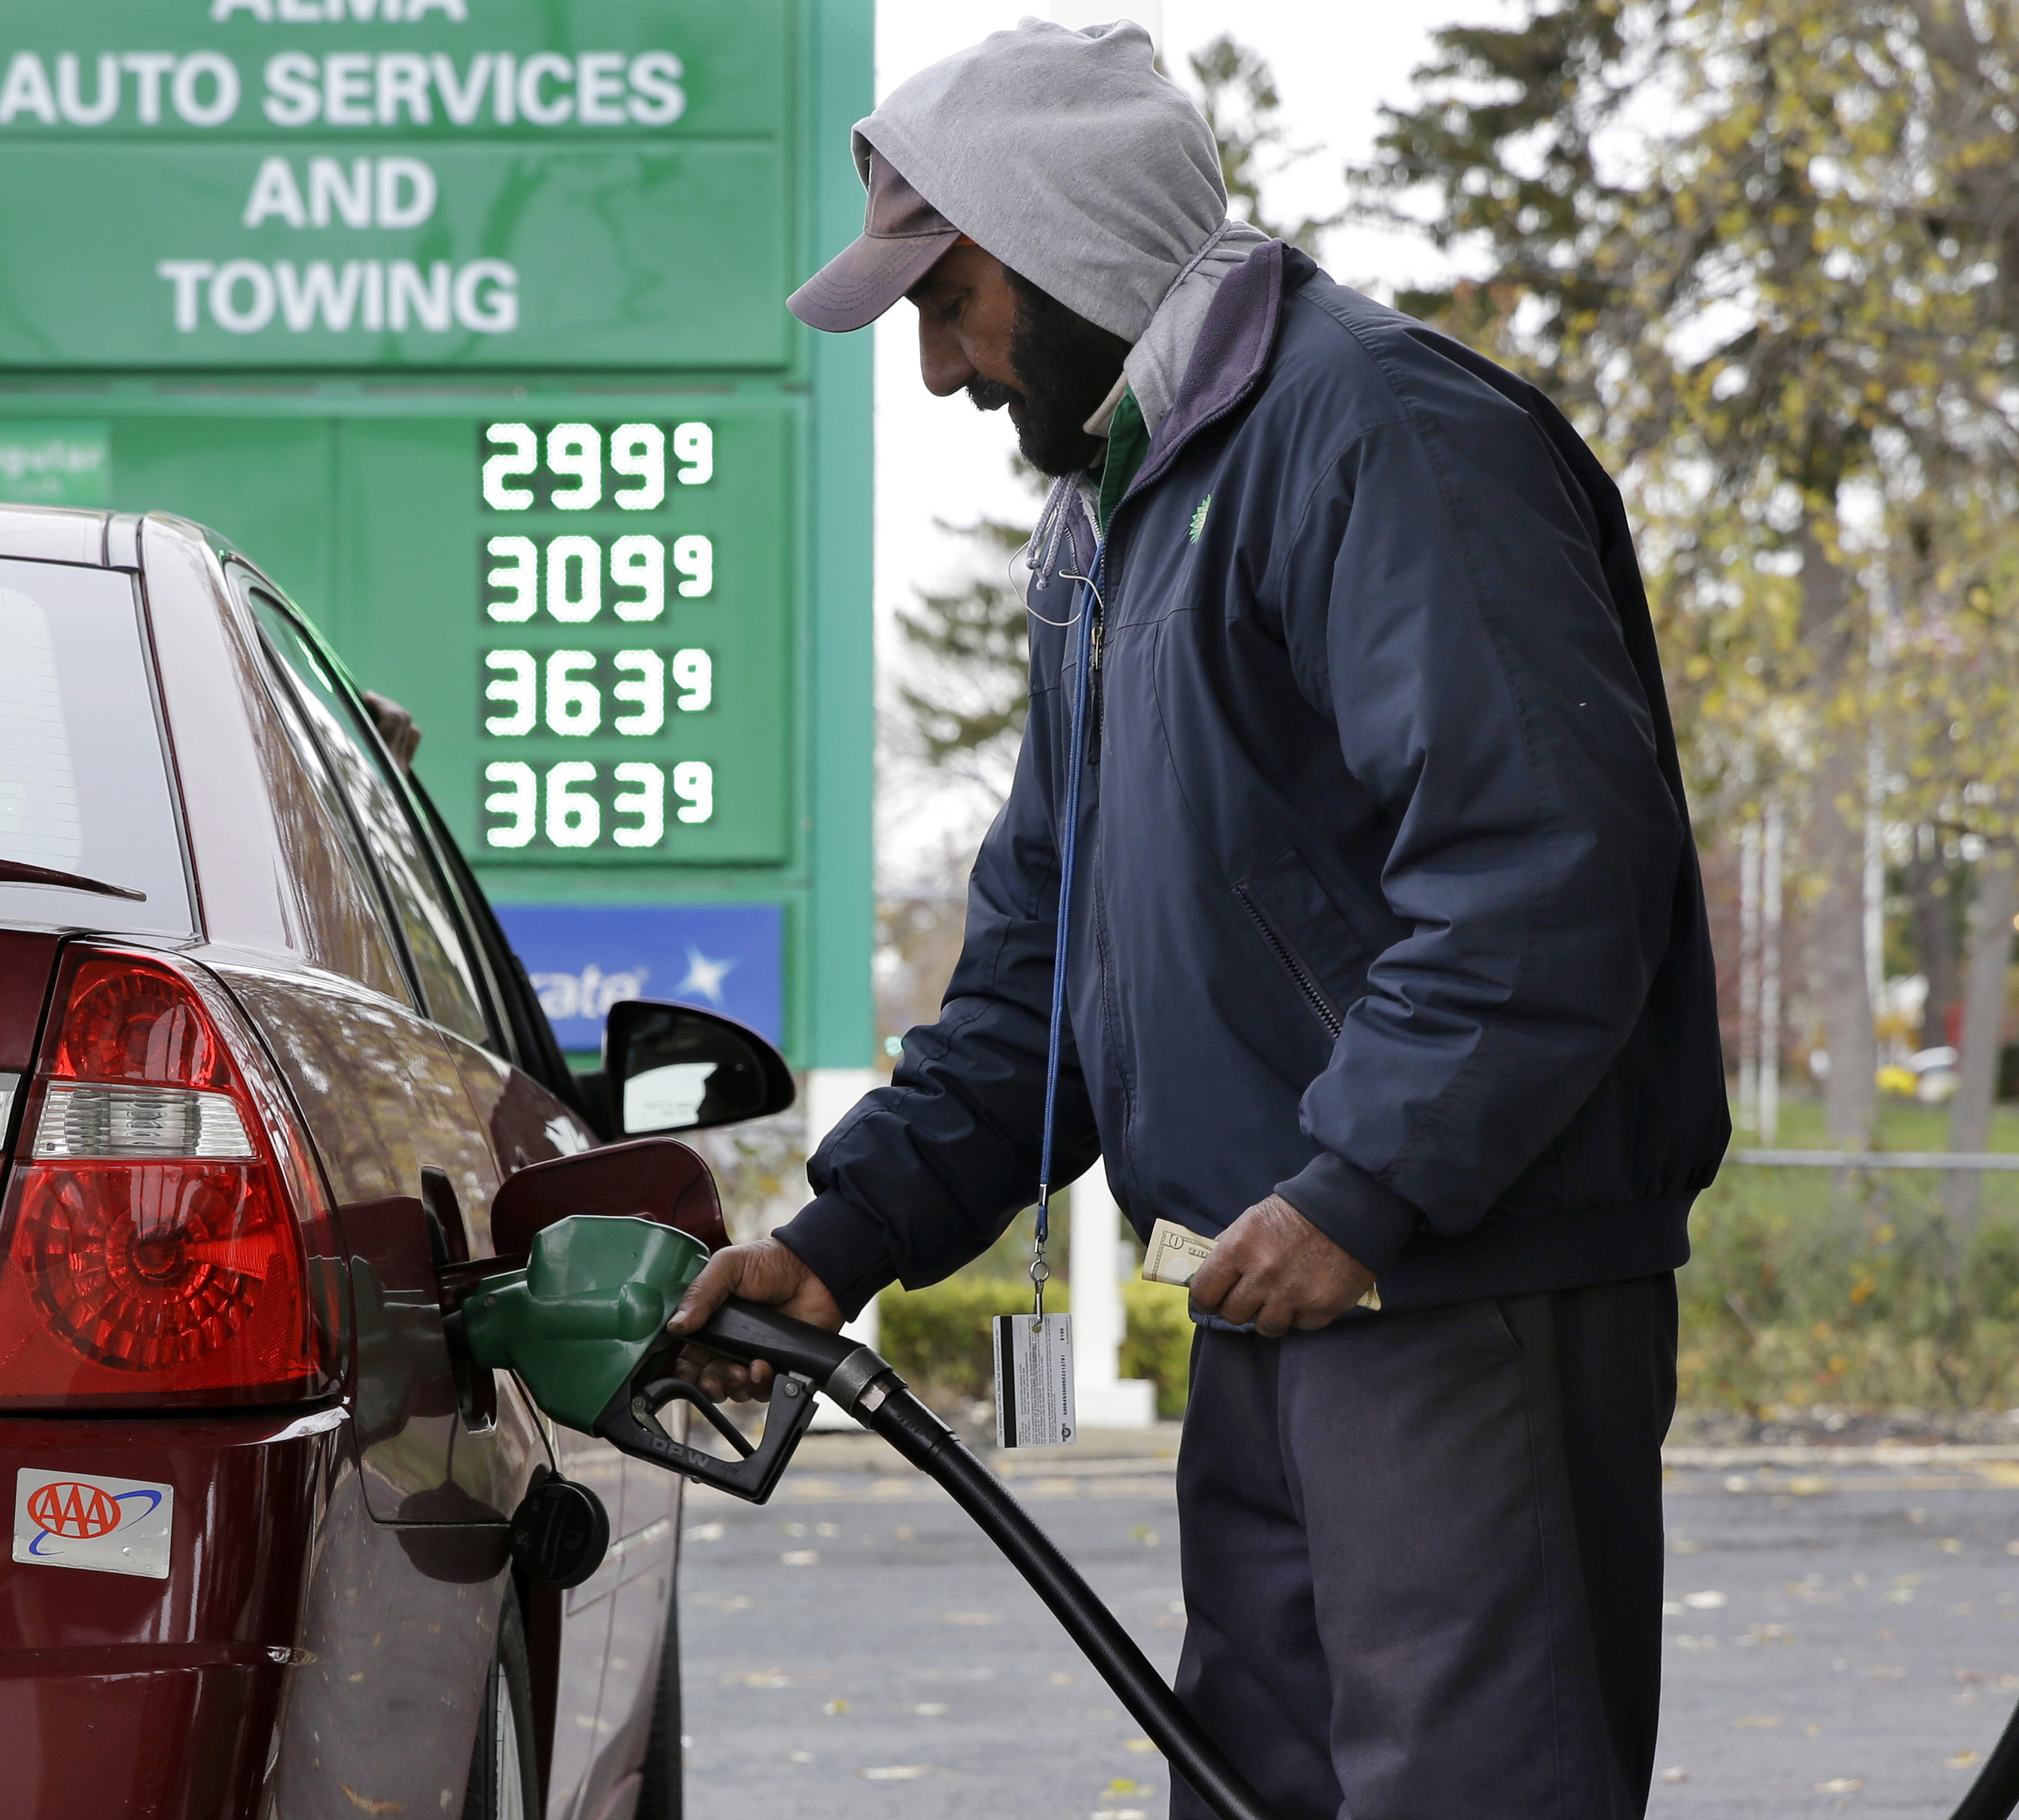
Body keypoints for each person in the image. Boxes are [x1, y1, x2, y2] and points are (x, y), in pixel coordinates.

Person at [668, 21, 1730, 1818]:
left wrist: (1360, 1186)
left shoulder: (1383, 435)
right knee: (1257, 1792)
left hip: (1452, 1287)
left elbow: (1545, 863)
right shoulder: (1108, 528)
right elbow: (1042, 965)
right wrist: (848, 1233)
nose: (937, 374)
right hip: (1280, 1294)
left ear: (1069, 240)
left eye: (949, 303)